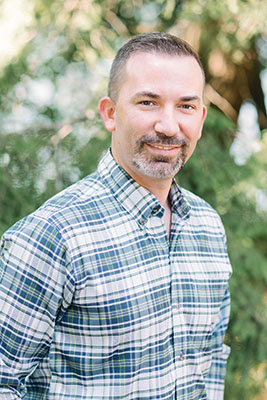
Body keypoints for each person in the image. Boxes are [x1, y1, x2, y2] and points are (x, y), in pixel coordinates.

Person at [0, 32, 232, 400]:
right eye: (148, 102)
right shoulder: (52, 235)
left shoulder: (208, 227)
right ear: (110, 113)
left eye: (185, 106)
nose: (169, 126)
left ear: (201, 119)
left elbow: (211, 360)